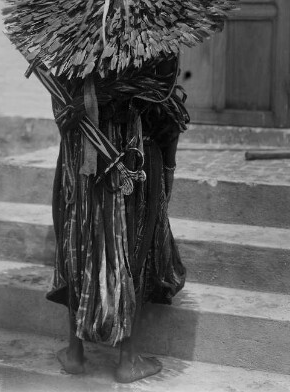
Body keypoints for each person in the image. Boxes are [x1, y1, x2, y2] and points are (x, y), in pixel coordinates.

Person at [46, 56, 189, 383]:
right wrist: (168, 167)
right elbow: (167, 113)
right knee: (134, 247)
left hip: (80, 156)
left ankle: (75, 353)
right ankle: (128, 360)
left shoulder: (70, 33)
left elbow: (61, 107)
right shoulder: (155, 33)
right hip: (134, 153)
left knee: (78, 240)